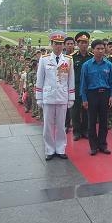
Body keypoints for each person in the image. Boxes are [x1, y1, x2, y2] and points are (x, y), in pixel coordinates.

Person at [35, 31, 75, 161]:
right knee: (47, 125)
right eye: (55, 44)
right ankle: (49, 149)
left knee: (61, 125)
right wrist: (39, 97)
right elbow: (40, 79)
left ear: (63, 45)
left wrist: (71, 97)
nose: (58, 46)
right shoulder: (44, 59)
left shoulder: (68, 60)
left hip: (62, 96)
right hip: (48, 96)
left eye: (60, 44)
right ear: (51, 44)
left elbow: (71, 80)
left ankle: (60, 148)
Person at [80, 39, 112, 155]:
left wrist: (111, 95)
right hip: (92, 95)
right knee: (91, 122)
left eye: (102, 49)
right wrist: (84, 99)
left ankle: (103, 145)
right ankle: (93, 146)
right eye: (98, 49)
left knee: (104, 121)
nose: (100, 51)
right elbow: (83, 84)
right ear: (93, 50)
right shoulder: (86, 65)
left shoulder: (108, 64)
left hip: (104, 94)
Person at [71, 32, 93, 141]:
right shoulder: (72, 58)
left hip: (88, 87)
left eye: (86, 42)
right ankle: (76, 131)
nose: (84, 45)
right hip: (76, 86)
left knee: (86, 109)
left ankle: (85, 131)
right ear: (77, 44)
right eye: (82, 43)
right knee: (75, 110)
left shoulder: (92, 57)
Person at [63, 37, 75, 133]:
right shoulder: (62, 58)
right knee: (67, 107)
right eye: (68, 44)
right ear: (64, 45)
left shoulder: (78, 56)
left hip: (77, 84)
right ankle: (67, 124)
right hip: (65, 85)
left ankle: (77, 126)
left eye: (71, 43)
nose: (70, 45)